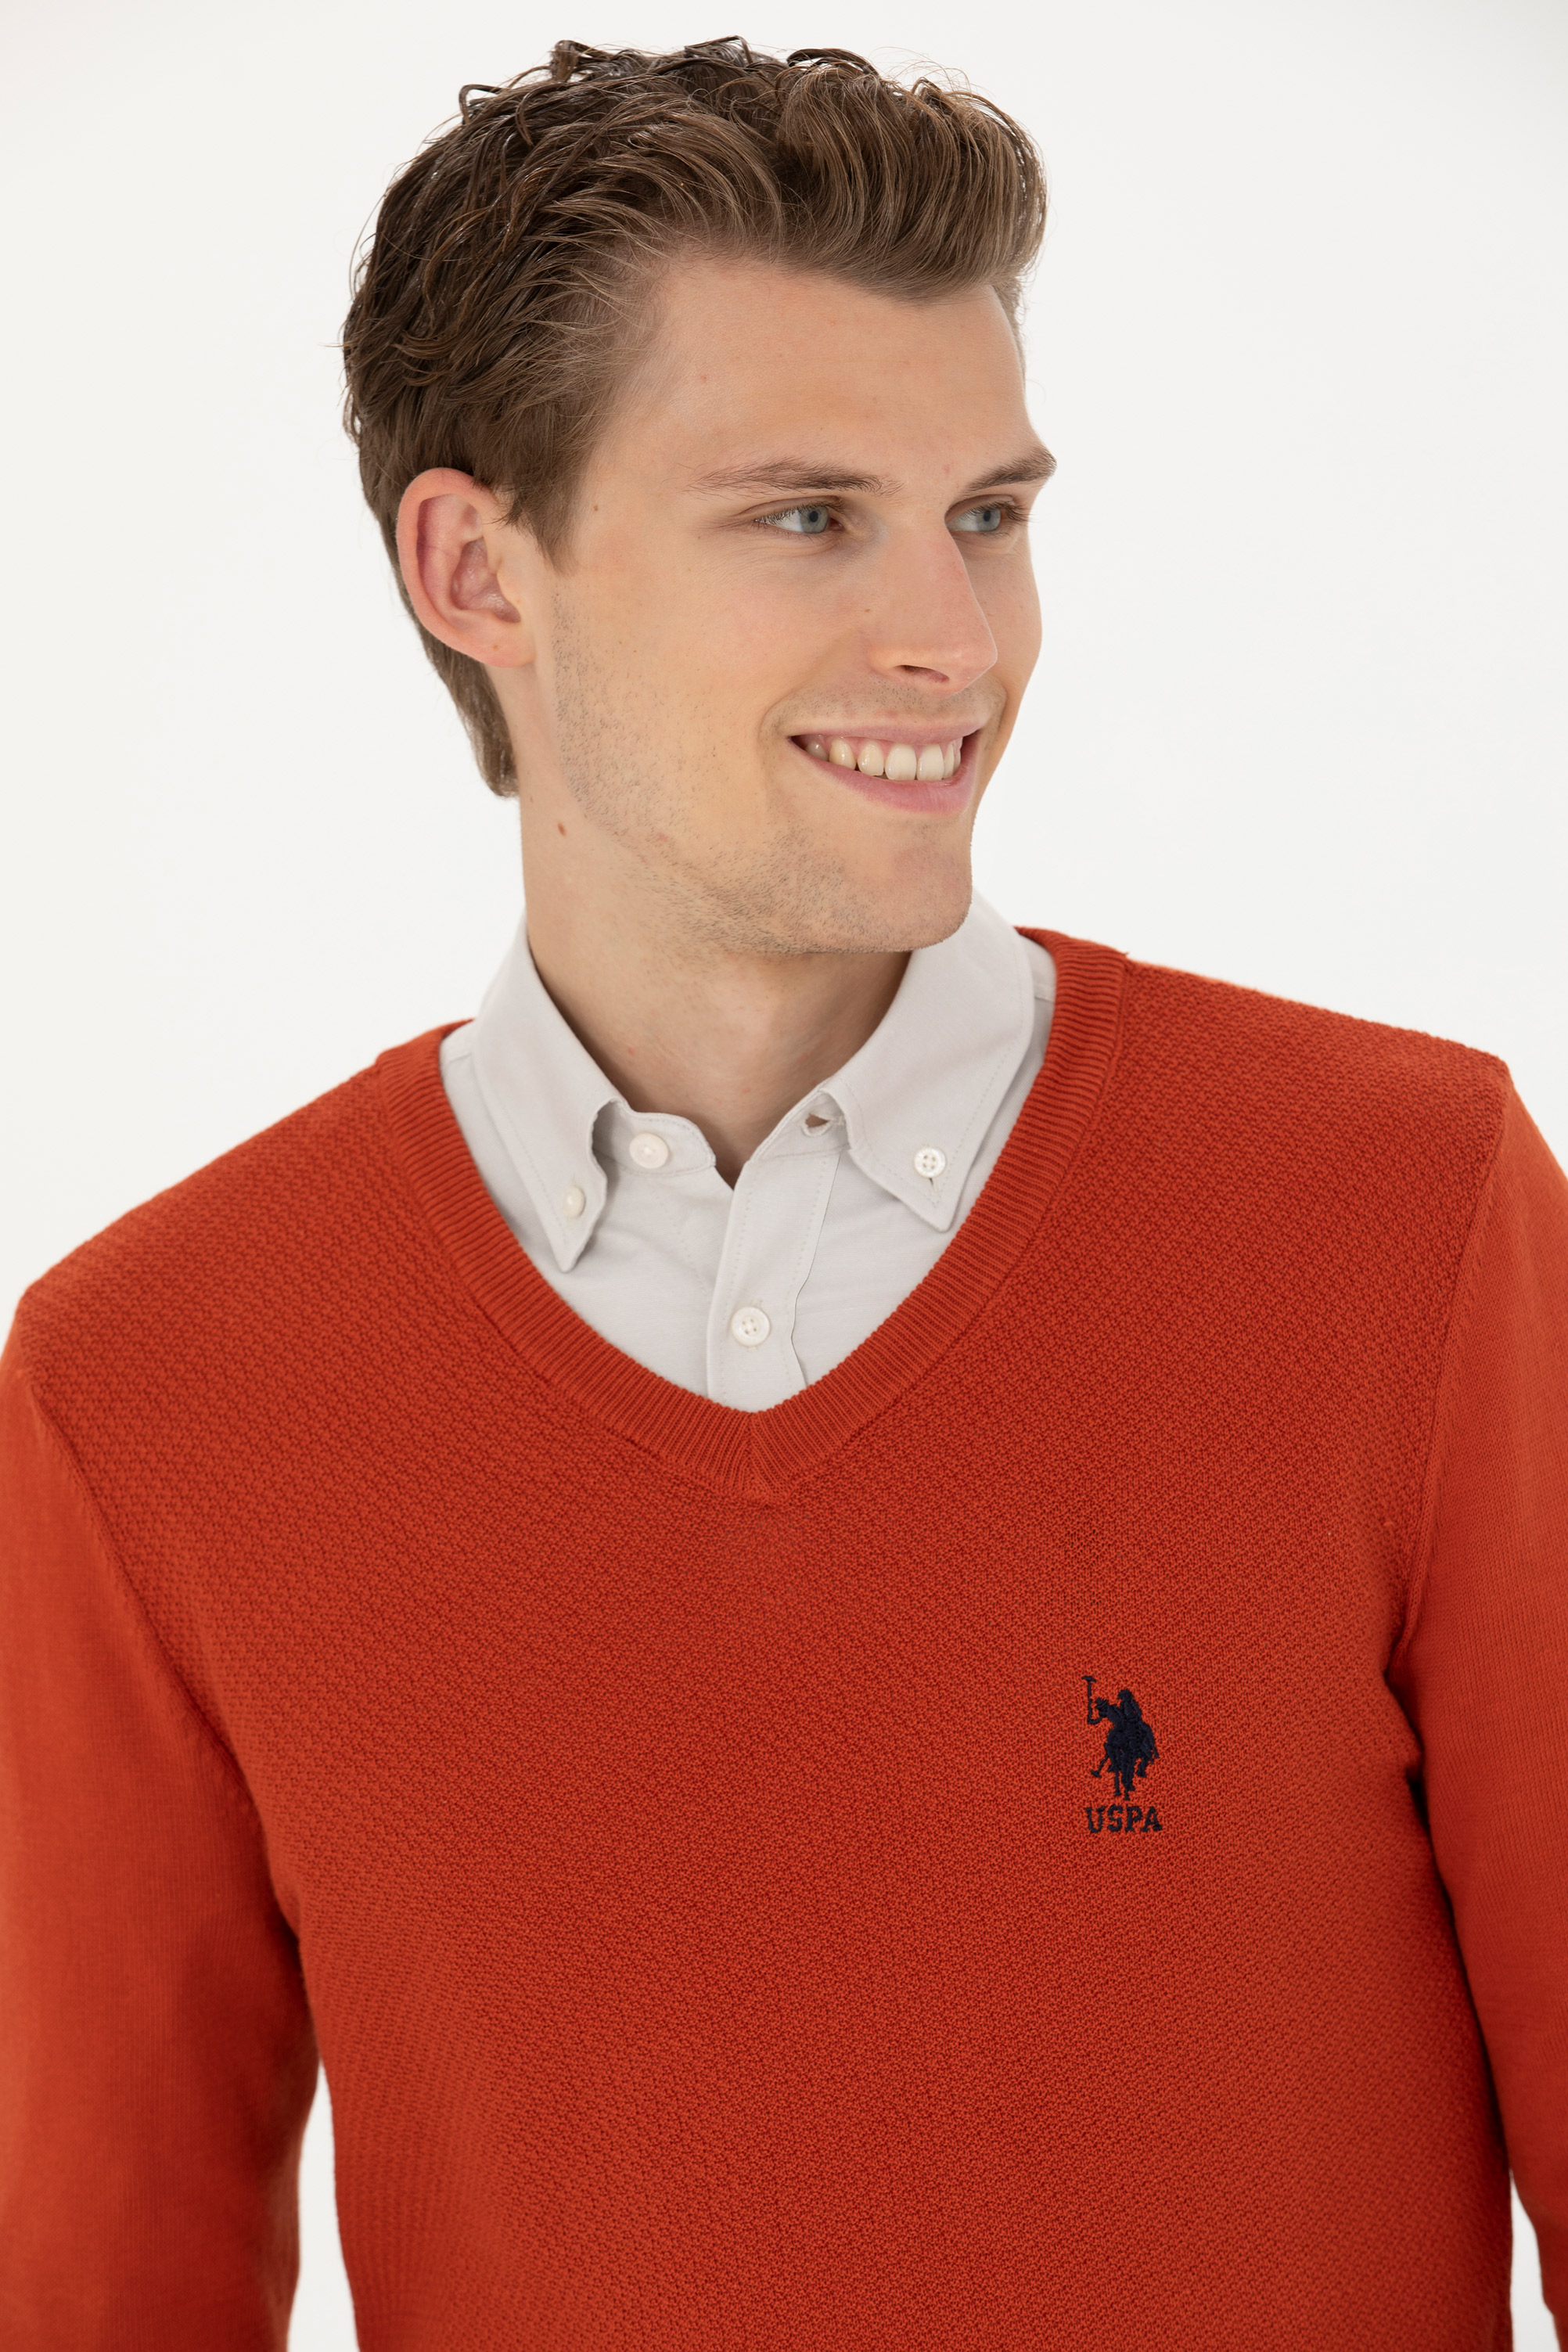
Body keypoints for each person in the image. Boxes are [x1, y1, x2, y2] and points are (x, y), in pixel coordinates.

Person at [2, 35, 1564, 2347]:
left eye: (988, 513)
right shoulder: (154, 1384)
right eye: (811, 516)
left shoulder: (1400, 1217)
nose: (959, 638)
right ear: (476, 569)